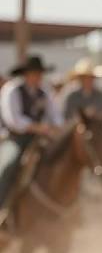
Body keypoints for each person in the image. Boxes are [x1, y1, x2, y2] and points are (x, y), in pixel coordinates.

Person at [0, 56, 63, 218]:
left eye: (40, 74)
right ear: (26, 74)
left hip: (39, 138)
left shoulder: (44, 91)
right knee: (9, 163)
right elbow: (13, 120)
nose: (38, 77)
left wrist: (56, 126)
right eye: (35, 73)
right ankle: (2, 207)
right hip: (14, 138)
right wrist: (37, 127)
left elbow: (55, 115)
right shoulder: (12, 89)